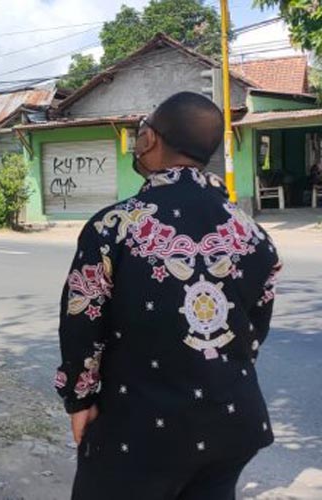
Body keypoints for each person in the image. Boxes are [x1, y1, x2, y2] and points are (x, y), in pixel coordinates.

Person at [54, 92, 282, 500]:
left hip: (137, 433)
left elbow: (81, 321)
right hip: (232, 427)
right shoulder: (253, 235)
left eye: (141, 131)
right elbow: (252, 332)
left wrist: (79, 398)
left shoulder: (113, 228)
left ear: (150, 141)